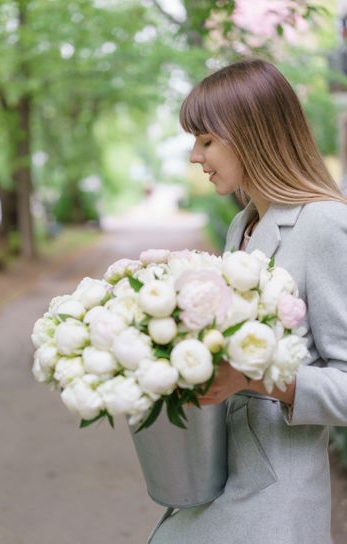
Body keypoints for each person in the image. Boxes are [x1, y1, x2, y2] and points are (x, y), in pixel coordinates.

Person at [148, 58, 347, 544]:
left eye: (206, 140)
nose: (195, 156)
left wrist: (256, 378)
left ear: (252, 134)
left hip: (274, 502)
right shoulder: (244, 225)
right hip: (215, 479)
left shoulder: (325, 226)